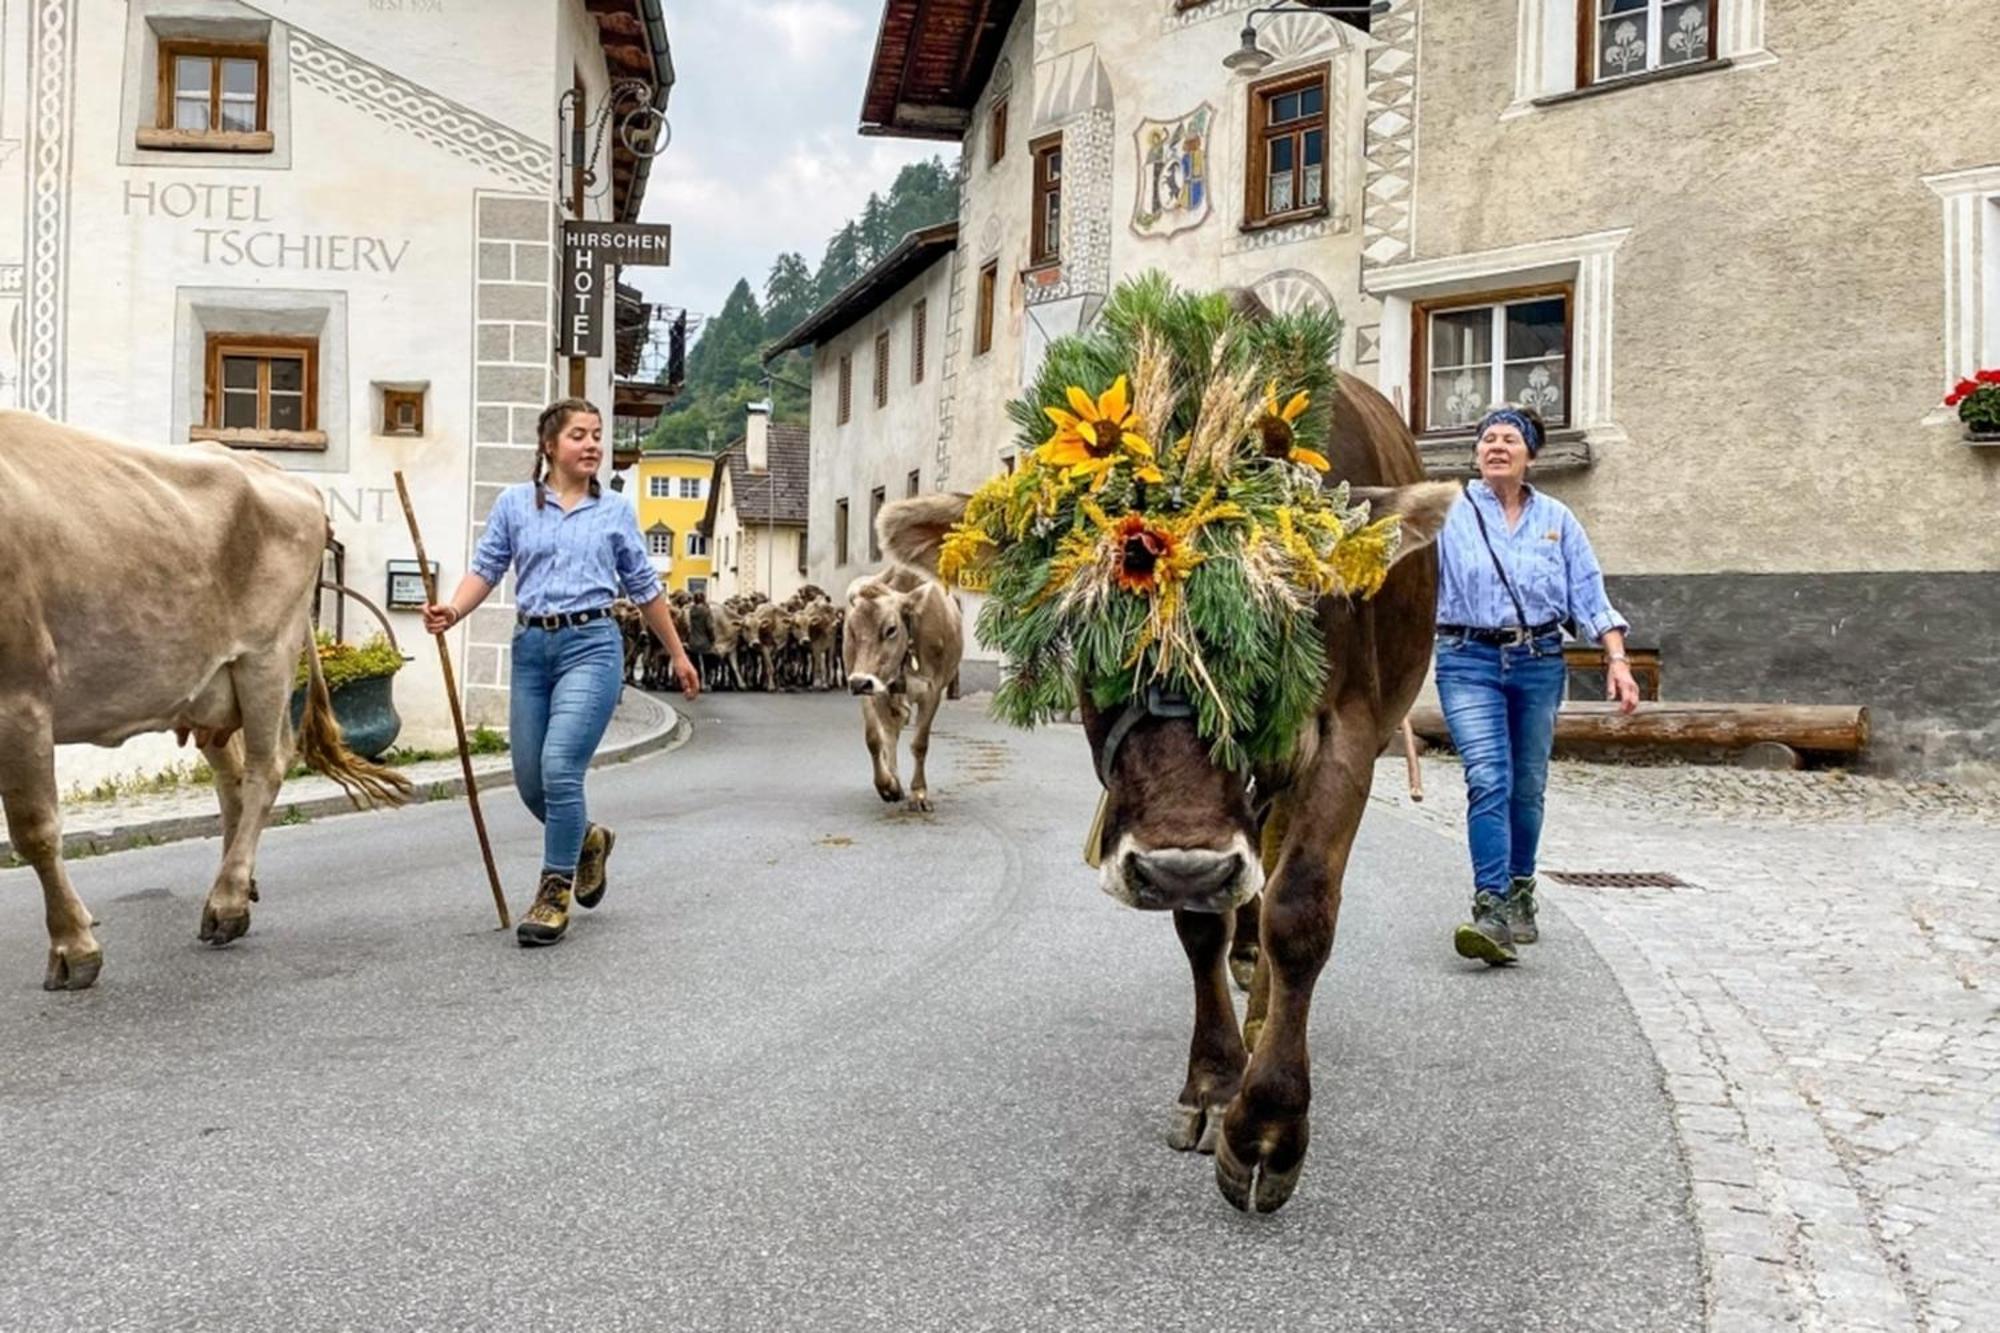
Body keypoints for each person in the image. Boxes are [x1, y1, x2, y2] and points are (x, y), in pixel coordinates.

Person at [423, 398, 699, 948]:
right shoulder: (514, 504)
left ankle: (554, 892)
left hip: (592, 645)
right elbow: (487, 568)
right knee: (529, 781)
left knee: (559, 766)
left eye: (597, 434)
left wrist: (677, 651)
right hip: (531, 648)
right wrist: (452, 611)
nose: (593, 444)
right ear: (549, 446)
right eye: (579, 435)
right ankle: (588, 840)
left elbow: (644, 586)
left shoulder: (616, 510)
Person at [1434, 406, 1639, 966]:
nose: (1496, 447)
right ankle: (1491, 906)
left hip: (1540, 658)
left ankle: (1522, 889)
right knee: (1487, 777)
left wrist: (1616, 662)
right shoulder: (1448, 511)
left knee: (1527, 785)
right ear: (1476, 452)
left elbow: (1590, 597)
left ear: (1530, 454)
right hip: (1465, 657)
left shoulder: (1558, 519)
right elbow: (1405, 579)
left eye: (1509, 439)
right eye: (1487, 439)